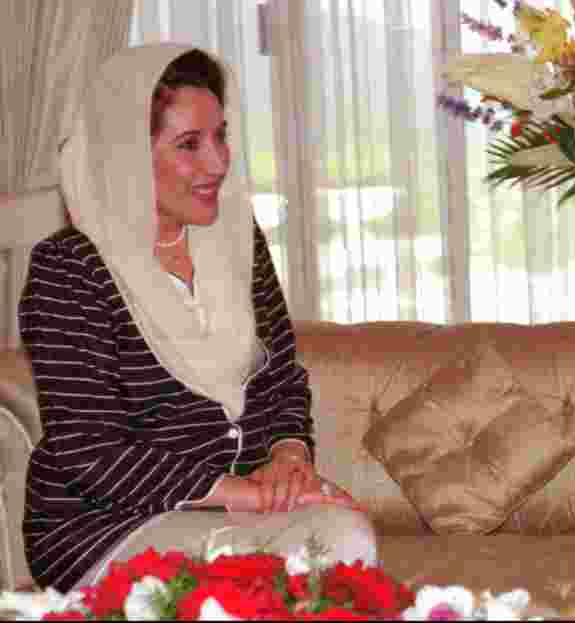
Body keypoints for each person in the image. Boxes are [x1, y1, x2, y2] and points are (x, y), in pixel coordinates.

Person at [18, 43, 376, 593]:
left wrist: (287, 458)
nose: (217, 163)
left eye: (221, 136)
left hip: (231, 511)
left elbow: (280, 378)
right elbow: (92, 450)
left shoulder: (238, 239)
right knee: (297, 560)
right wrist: (251, 495)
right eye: (189, 144)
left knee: (345, 536)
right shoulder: (68, 269)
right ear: (125, 155)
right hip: (106, 527)